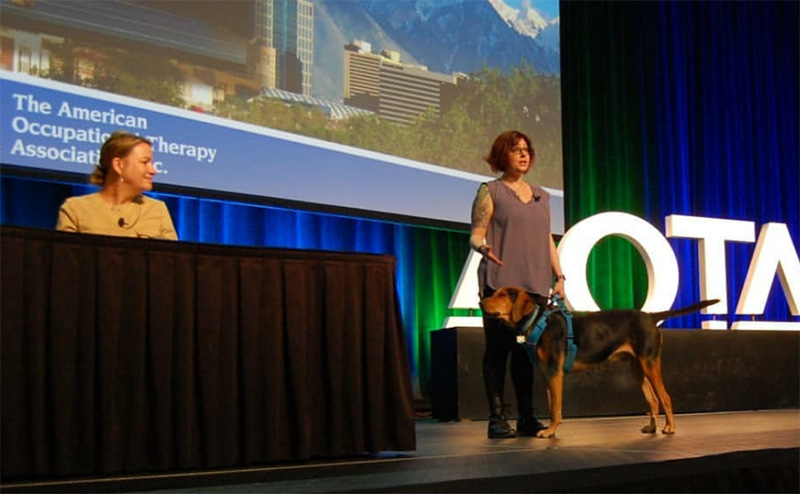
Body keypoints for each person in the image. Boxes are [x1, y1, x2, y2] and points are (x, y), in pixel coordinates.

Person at [469, 130, 565, 438]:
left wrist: (559, 276)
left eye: (526, 149)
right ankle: (497, 420)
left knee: (527, 355)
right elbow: (476, 232)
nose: (523, 154)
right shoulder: (491, 191)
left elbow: (547, 238)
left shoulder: (541, 195)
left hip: (534, 287)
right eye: (515, 150)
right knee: (498, 351)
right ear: (502, 156)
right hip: (501, 287)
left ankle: (526, 417)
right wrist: (482, 247)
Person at [57, 130, 178, 240]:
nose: (153, 170)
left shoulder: (157, 209)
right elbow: (66, 258)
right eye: (144, 162)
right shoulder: (76, 208)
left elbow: (171, 261)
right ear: (118, 165)